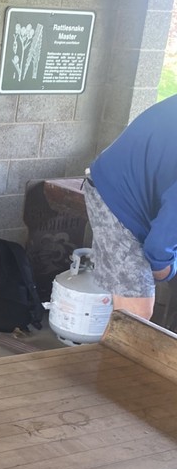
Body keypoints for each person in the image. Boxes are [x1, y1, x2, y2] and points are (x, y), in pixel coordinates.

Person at [84, 93, 177, 321]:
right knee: (135, 318)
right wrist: (165, 266)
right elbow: (159, 247)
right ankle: (112, 355)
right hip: (118, 195)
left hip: (144, 185)